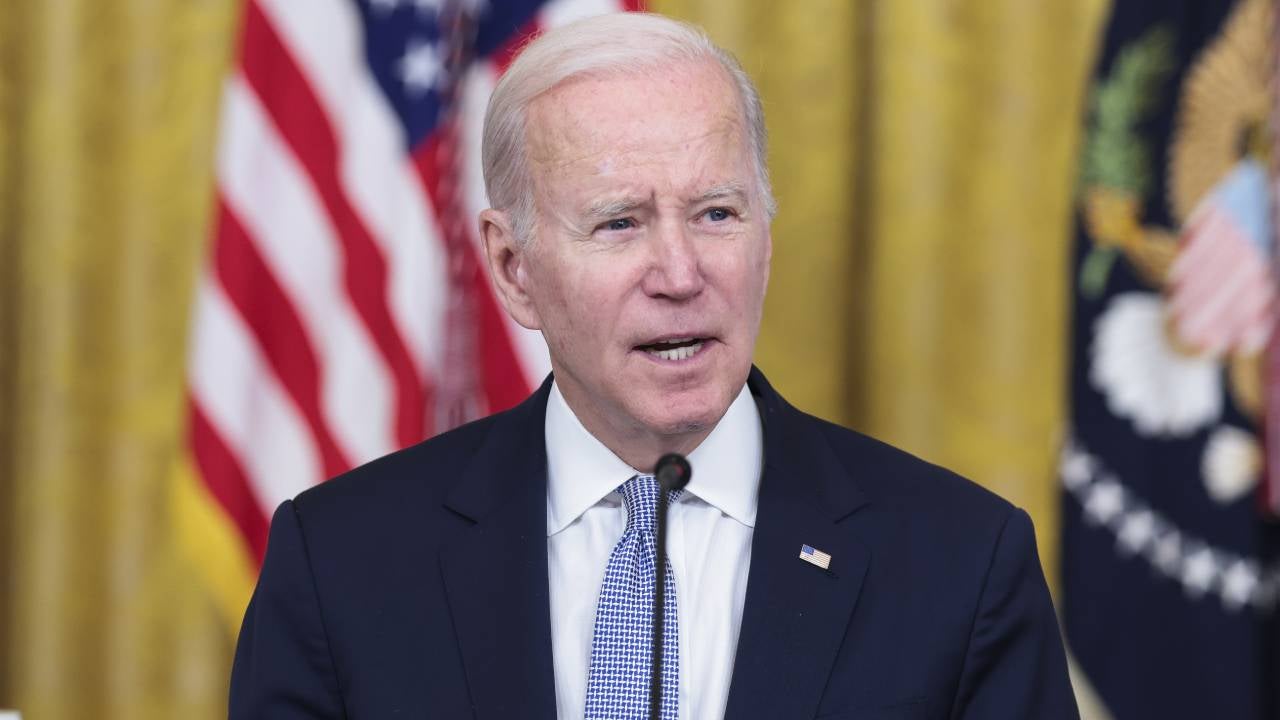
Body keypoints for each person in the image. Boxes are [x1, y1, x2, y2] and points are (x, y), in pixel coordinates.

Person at [229, 12, 1078, 720]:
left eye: (717, 213)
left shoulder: (963, 567)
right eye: (619, 224)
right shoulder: (340, 564)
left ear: (766, 240)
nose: (680, 275)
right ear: (513, 268)